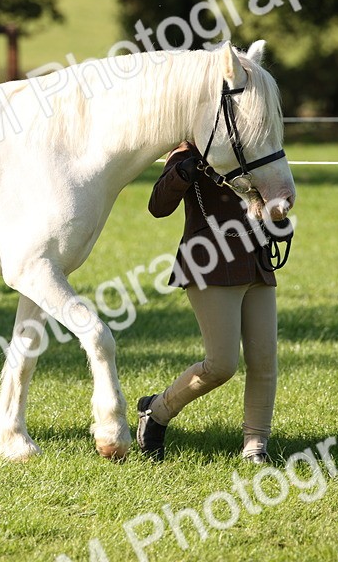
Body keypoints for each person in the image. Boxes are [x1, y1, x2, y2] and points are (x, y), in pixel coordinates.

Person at [137, 141, 280, 463]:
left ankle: (255, 445)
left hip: (256, 261)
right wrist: (184, 171)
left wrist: (278, 216)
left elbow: (276, 192)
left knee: (264, 361)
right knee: (221, 365)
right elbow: (158, 206)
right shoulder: (186, 152)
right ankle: (156, 411)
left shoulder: (255, 146)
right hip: (210, 265)